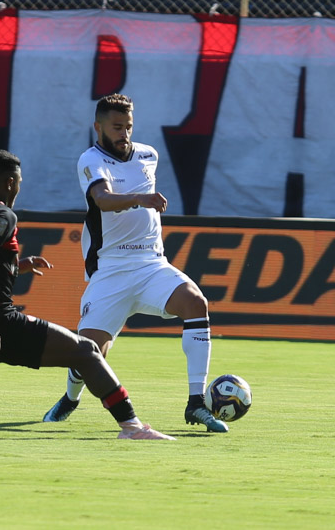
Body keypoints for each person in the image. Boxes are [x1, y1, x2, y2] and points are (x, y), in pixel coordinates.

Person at [0, 148, 174, 440]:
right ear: (11, 182)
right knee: (86, 351)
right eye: (19, 183)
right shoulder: (2, 214)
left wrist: (16, 266)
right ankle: (132, 427)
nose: (19, 189)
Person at [42, 94, 228, 433]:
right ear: (97, 127)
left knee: (195, 302)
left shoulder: (148, 155)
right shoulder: (90, 159)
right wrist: (141, 199)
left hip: (150, 263)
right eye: (116, 127)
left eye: (128, 126)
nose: (123, 133)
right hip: (110, 270)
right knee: (90, 352)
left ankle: (196, 403)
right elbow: (102, 200)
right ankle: (71, 397)